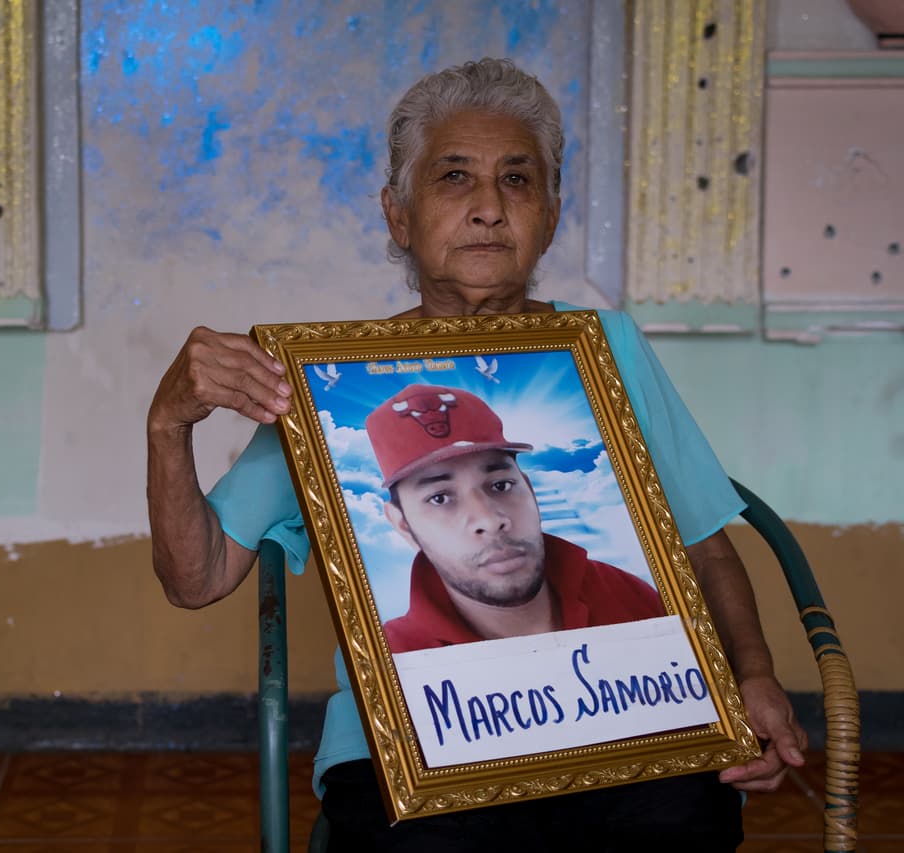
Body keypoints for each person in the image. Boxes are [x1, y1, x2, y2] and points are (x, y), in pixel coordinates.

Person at [146, 57, 805, 851]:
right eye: (454, 177)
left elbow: (701, 542)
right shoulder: (324, 379)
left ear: (551, 215)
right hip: (408, 748)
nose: (489, 208)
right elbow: (198, 576)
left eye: (517, 180)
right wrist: (167, 427)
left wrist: (755, 673)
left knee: (685, 818)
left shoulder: (608, 349)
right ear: (399, 214)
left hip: (627, 725)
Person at [364, 384, 664, 654]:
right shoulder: (395, 659)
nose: (490, 520)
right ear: (403, 525)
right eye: (440, 498)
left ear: (530, 491)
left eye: (501, 485)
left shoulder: (626, 594)